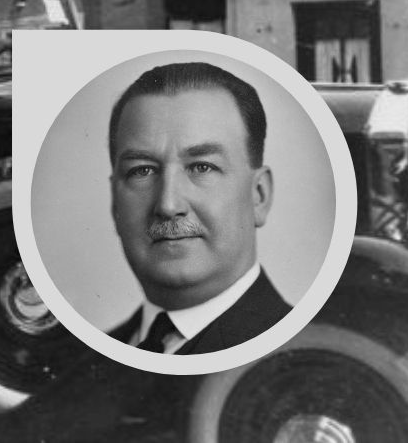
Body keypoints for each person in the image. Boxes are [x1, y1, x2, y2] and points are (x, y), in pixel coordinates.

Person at [105, 62, 290, 355]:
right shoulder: (85, 358)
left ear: (259, 195)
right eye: (142, 171)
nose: (168, 205)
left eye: (201, 167)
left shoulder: (300, 352)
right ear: (115, 201)